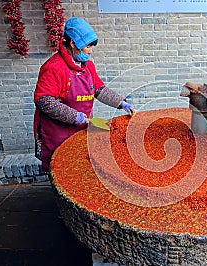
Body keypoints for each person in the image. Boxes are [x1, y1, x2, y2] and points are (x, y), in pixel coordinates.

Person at [33, 17, 135, 172]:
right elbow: (44, 101)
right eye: (87, 46)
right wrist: (74, 116)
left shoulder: (87, 67)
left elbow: (99, 90)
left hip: (82, 128)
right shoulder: (54, 68)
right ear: (73, 43)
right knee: (62, 171)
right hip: (58, 133)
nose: (90, 51)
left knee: (81, 169)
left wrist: (122, 103)